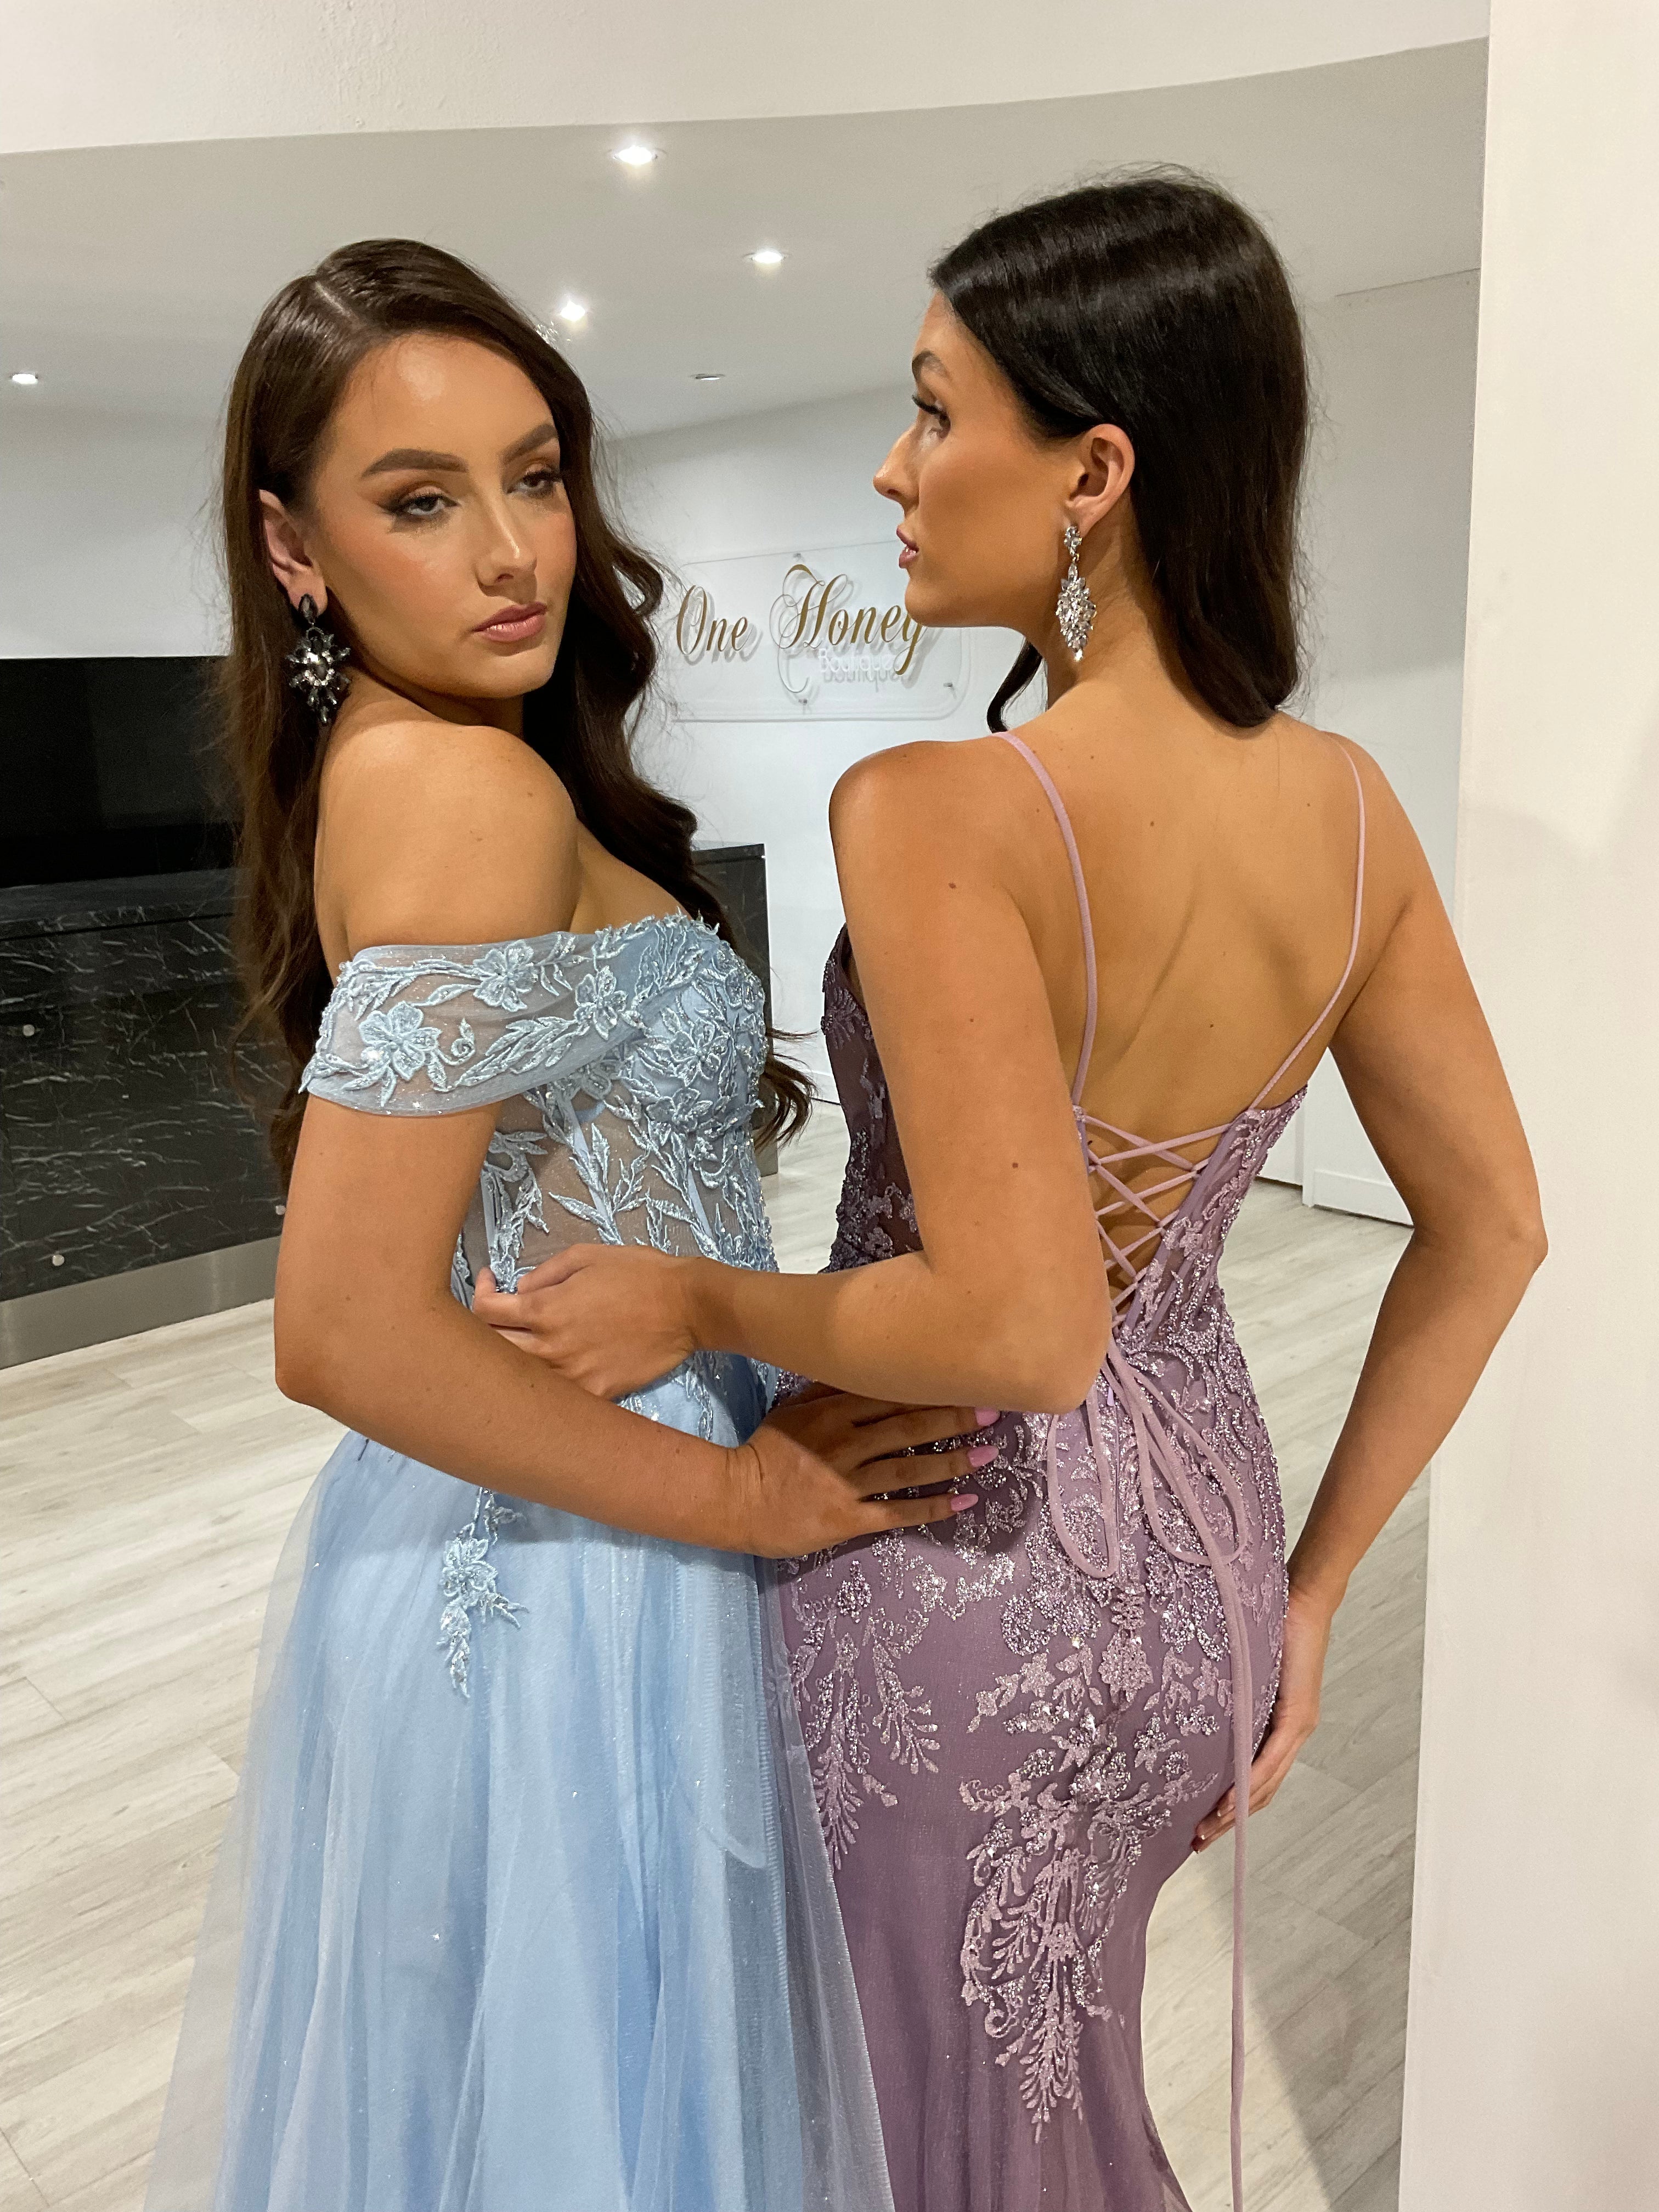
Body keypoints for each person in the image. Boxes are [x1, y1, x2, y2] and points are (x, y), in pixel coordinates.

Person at [477, 176, 1547, 2212]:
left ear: (1097, 472)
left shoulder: (940, 804)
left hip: (948, 1557)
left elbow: (1021, 1323)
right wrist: (1309, 1593)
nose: (892, 471)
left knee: (933, 2145)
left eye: (935, 412)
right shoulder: (1345, 808)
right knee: (1044, 2099)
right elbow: (1496, 1225)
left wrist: (704, 1307)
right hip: (1210, 1576)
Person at [145, 238, 979, 2212]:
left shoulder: (435, 766)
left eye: (535, 474)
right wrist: (748, 1505)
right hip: (587, 1553)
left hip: (520, 1524)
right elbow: (339, 1327)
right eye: (419, 502)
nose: (513, 548)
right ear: (295, 549)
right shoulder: (459, 798)